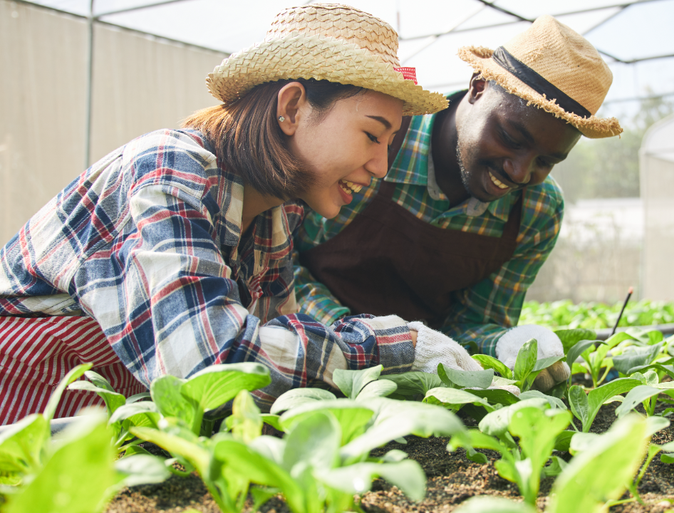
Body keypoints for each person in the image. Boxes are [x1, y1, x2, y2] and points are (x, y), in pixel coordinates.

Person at [0, 3, 484, 426]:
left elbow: (278, 356)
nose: (380, 167)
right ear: (292, 107)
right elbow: (210, 368)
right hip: (22, 409)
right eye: (372, 135)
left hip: (102, 425)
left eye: (390, 143)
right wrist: (391, 346)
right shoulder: (169, 169)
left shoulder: (276, 216)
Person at [293, 15, 624, 391]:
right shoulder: (376, 141)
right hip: (306, 358)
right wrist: (366, 338)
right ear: (478, 87)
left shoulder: (537, 211)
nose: (519, 173)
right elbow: (281, 267)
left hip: (424, 388)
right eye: (510, 138)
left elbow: (473, 323)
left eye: (546, 161)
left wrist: (505, 343)